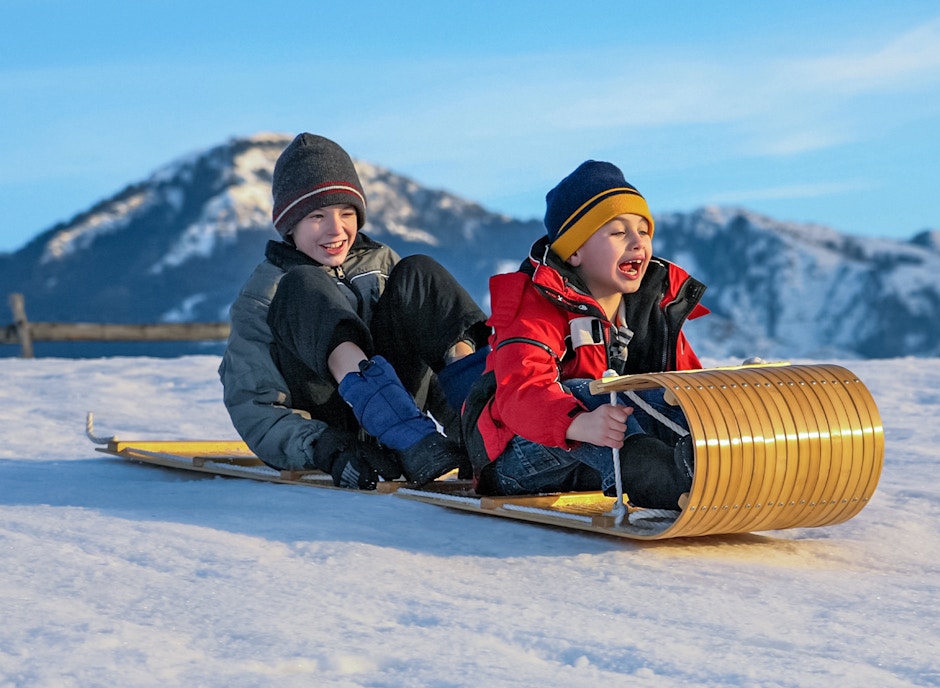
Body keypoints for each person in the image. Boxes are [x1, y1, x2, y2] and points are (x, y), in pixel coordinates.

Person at [219, 133, 489, 489]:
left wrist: (465, 434)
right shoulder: (264, 294)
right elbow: (254, 403)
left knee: (420, 272)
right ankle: (402, 432)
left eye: (347, 213)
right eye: (317, 216)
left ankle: (489, 425)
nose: (336, 229)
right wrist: (325, 447)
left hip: (413, 433)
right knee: (303, 285)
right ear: (290, 225)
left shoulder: (383, 264)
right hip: (337, 434)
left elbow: (432, 361)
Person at [462, 160, 710, 509]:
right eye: (618, 232)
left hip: (602, 452)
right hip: (519, 456)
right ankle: (670, 481)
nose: (638, 243)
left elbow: (684, 386)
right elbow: (520, 394)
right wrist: (579, 423)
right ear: (575, 251)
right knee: (593, 392)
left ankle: (716, 465)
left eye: (644, 231)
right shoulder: (536, 306)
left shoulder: (652, 308)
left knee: (671, 395)